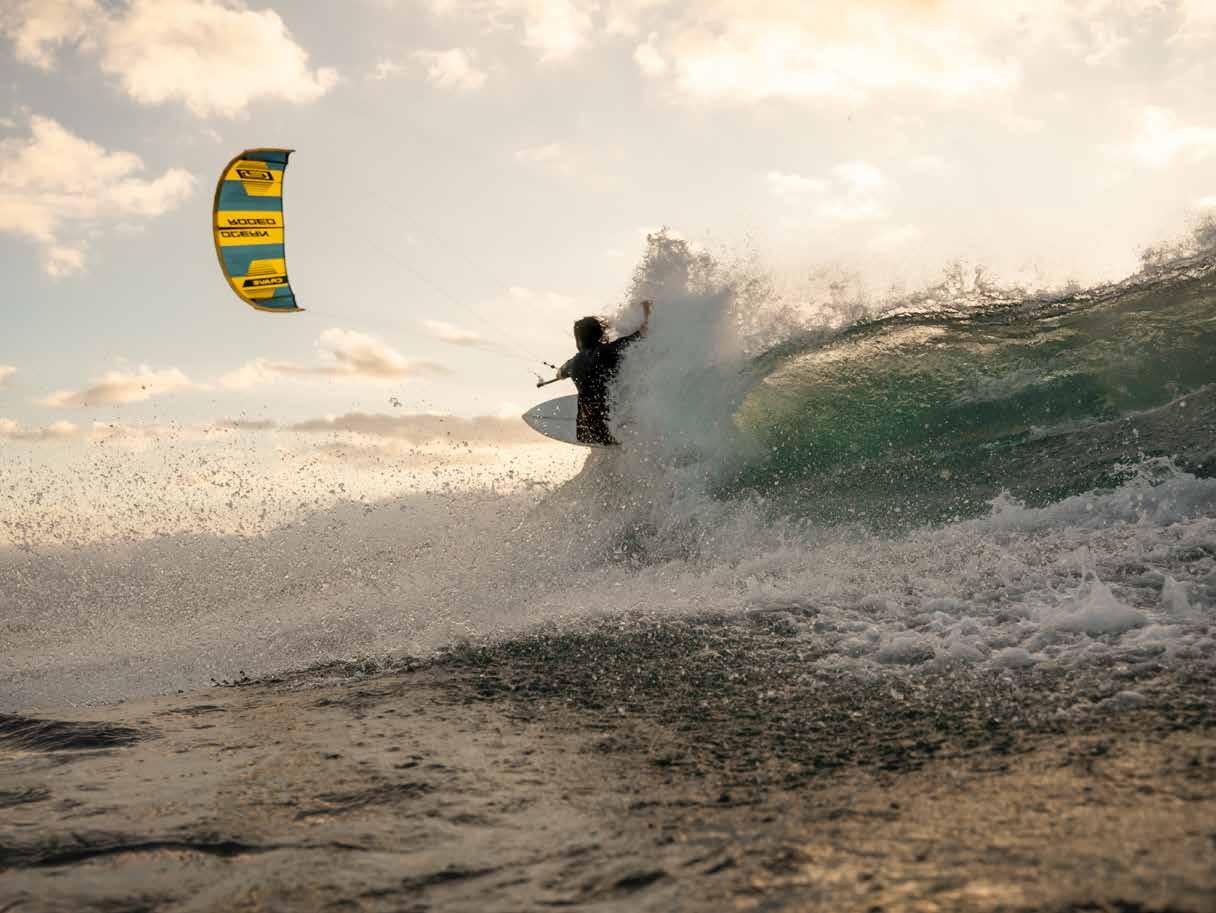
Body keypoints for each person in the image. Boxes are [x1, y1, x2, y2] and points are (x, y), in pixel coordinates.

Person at [557, 300, 652, 445]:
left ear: (579, 340)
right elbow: (645, 331)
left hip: (589, 431)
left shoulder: (571, 363)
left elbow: (560, 373)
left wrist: (561, 374)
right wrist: (646, 308)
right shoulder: (610, 350)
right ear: (599, 333)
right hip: (615, 425)